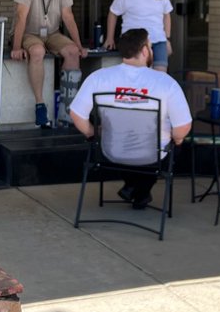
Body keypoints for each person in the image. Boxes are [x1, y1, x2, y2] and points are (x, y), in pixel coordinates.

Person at [70, 29, 192, 209]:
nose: (150, 50)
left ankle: (134, 186)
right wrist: (178, 139)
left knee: (128, 142)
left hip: (112, 151)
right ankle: (140, 190)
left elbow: (76, 113)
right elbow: (182, 127)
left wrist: (91, 133)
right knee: (174, 145)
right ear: (144, 51)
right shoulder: (166, 83)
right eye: (150, 47)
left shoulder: (99, 77)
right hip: (153, 155)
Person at [11, 0, 87, 127]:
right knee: (37, 51)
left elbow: (68, 16)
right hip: (29, 32)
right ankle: (40, 105)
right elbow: (21, 17)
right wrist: (16, 47)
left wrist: (80, 45)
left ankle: (67, 109)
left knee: (73, 51)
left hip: (52, 32)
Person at [104, 0, 173, 72]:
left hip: (158, 39)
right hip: (134, 41)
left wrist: (167, 38)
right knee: (137, 74)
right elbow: (113, 13)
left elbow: (167, 14)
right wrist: (109, 38)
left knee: (161, 75)